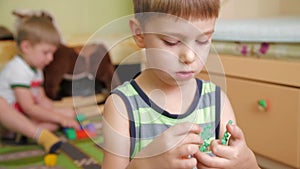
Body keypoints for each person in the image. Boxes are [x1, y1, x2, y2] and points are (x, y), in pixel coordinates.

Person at [102, 0, 260, 169]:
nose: (189, 56)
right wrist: (146, 164)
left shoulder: (216, 101)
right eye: (171, 41)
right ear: (140, 34)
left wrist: (247, 163)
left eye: (203, 40)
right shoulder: (122, 107)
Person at [0, 16, 79, 132]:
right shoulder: (17, 69)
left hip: (25, 113)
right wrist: (59, 118)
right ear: (26, 47)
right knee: (54, 122)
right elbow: (29, 108)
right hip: (10, 117)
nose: (51, 58)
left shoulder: (37, 69)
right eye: (46, 52)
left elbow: (41, 98)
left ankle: (27, 131)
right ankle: (18, 132)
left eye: (52, 53)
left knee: (69, 113)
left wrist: (57, 113)